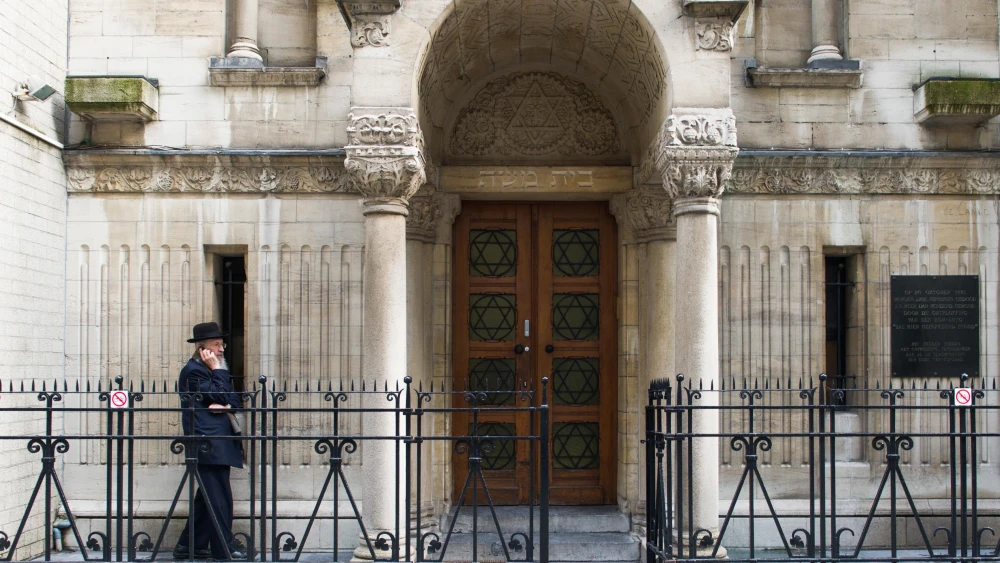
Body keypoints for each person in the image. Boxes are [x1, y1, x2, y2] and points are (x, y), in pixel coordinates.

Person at [173, 322, 247, 561]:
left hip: (218, 443)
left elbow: (233, 401)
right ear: (201, 348)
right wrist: (217, 371)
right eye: (216, 345)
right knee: (219, 497)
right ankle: (223, 548)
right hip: (207, 444)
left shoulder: (214, 370)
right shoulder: (194, 371)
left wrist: (225, 405)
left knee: (208, 496)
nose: (221, 349)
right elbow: (220, 394)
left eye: (221, 344)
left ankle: (189, 545)